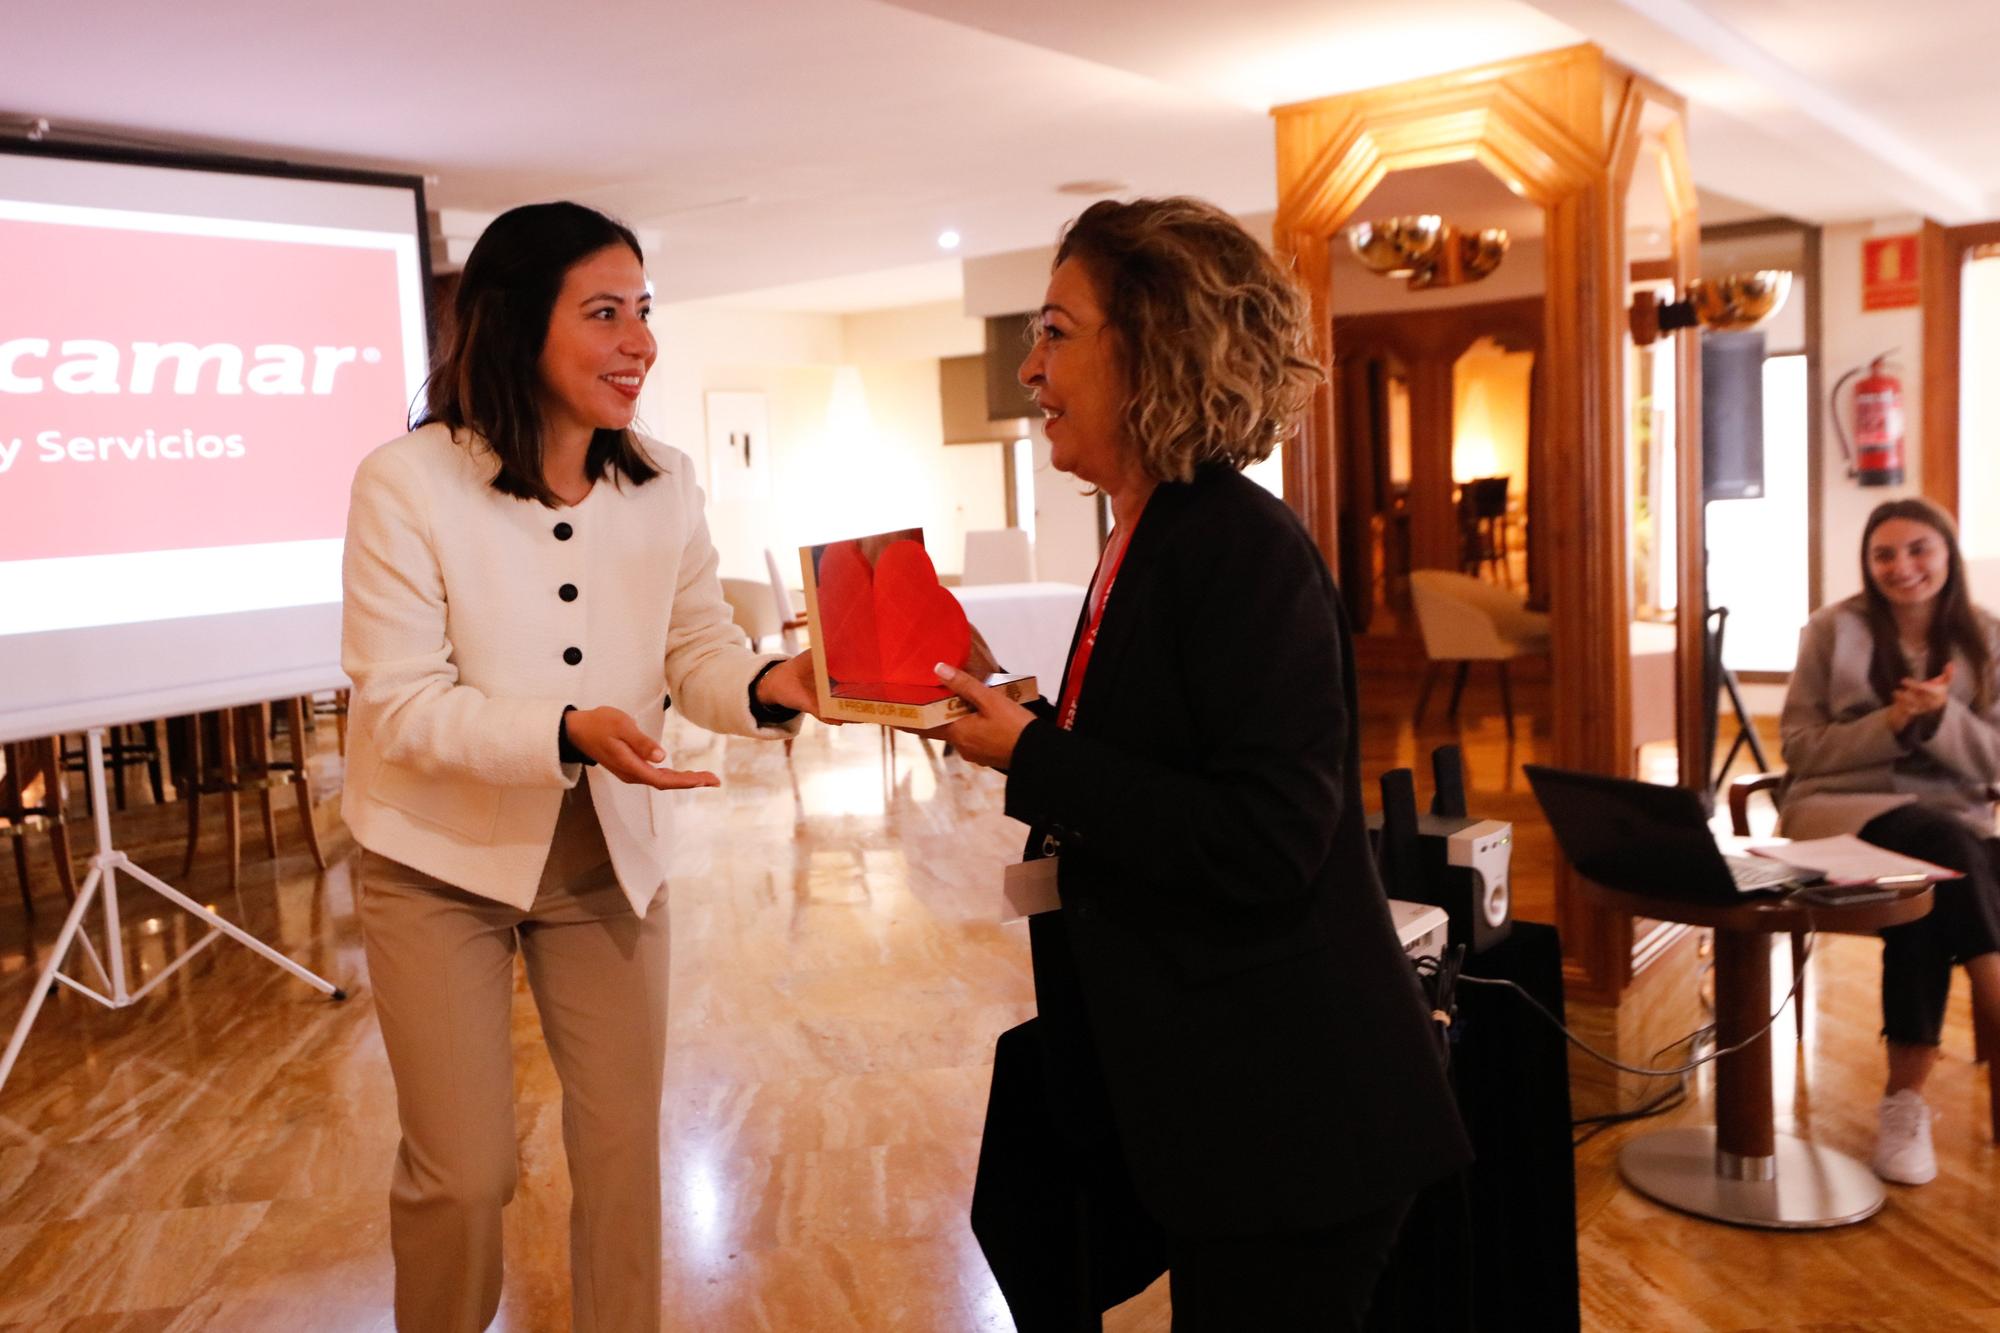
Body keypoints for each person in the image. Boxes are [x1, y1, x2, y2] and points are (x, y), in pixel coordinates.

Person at [939, 197, 1470, 1330]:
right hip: (1213, 1094)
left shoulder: (1237, 544)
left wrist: (1033, 755)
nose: (1028, 369)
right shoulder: (1145, 532)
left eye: (1055, 331)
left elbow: (1265, 834)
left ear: (1154, 346)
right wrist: (1017, 717)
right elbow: (1158, 751)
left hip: (1295, 1113)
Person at [340, 201, 819, 1332]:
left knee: (619, 1151)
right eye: (603, 313)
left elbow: (697, 646)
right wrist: (566, 728)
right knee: (463, 1173)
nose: (638, 342)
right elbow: (400, 704)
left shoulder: (663, 483)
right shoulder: (404, 484)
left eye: (642, 312)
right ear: (515, 326)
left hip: (607, 855)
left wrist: (764, 687)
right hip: (434, 858)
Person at [1778, 496, 2000, 1185]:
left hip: (1953, 821)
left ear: (1947, 555)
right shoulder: (1830, 629)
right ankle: (1994, 989)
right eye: (1884, 554)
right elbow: (1800, 749)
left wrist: (1941, 721)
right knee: (1939, 848)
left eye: (1919, 550)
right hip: (1842, 811)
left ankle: (1903, 1102)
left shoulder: (1987, 636)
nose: (1902, 567)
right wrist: (1891, 722)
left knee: (1929, 890)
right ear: (1867, 563)